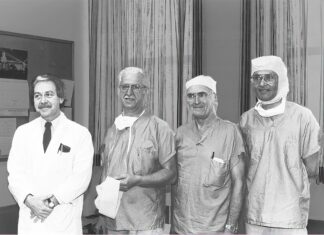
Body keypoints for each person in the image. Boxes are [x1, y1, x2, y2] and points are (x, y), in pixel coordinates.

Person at [239, 56, 321, 235]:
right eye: (257, 78)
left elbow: (313, 169)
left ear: (281, 79)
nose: (262, 83)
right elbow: (242, 167)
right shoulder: (246, 120)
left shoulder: (302, 117)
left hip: (290, 217)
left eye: (269, 77)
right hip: (255, 214)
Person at [7, 74, 94, 234]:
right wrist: (29, 199)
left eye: (49, 94)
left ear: (61, 98)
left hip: (62, 218)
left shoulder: (80, 134)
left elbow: (81, 178)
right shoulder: (22, 132)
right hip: (30, 218)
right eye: (37, 96)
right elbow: (14, 174)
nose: (43, 101)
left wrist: (50, 203)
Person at [96, 67, 177, 234]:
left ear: (145, 91)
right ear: (119, 91)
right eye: (124, 86)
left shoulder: (160, 128)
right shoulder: (112, 130)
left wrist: (138, 180)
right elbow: (105, 173)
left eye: (136, 87)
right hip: (114, 219)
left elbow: (171, 174)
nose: (129, 92)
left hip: (146, 221)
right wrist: (101, 213)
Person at [172, 75, 245, 234]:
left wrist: (231, 227)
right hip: (181, 228)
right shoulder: (180, 134)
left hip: (215, 229)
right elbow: (171, 177)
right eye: (191, 96)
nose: (196, 101)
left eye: (202, 94)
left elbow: (239, 182)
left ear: (214, 97)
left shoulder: (230, 132)